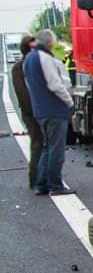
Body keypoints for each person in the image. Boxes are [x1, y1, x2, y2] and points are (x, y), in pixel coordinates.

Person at [23, 29, 76, 196]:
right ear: (50, 43)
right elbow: (55, 84)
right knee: (56, 150)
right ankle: (55, 185)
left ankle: (41, 184)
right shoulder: (45, 58)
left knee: (47, 148)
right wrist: (69, 102)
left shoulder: (28, 59)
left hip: (40, 110)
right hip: (54, 110)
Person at [10, 35, 43, 189]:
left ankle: (43, 176)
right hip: (32, 113)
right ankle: (35, 179)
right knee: (38, 144)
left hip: (42, 110)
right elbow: (22, 93)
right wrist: (35, 111)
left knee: (44, 145)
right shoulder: (19, 67)